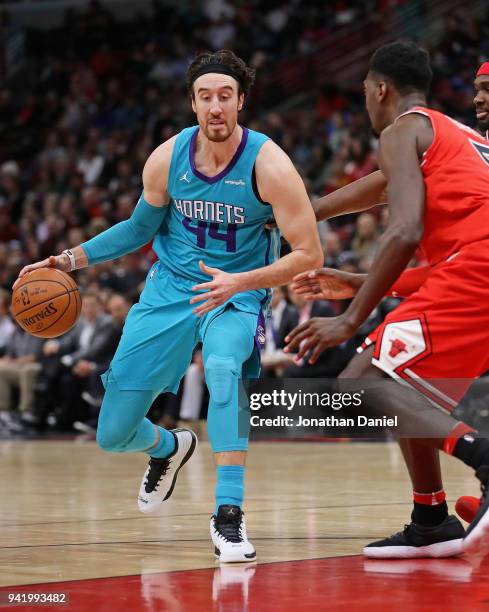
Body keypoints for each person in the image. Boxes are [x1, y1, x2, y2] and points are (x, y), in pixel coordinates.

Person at [15, 49, 322, 563]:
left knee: (223, 370)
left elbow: (310, 253)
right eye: (206, 97)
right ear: (193, 103)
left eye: (226, 96)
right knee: (112, 436)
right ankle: (168, 448)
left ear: (241, 101)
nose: (216, 106)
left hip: (237, 290)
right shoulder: (167, 157)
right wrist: (69, 260)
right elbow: (139, 230)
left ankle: (228, 516)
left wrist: (241, 281)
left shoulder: (269, 164)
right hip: (168, 290)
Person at [285, 41, 489, 558]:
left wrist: (351, 318)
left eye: (364, 95)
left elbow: (403, 229)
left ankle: (484, 458)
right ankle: (430, 518)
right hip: (472, 273)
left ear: (379, 89)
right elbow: (380, 189)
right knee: (412, 394)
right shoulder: (453, 135)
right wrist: (309, 222)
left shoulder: (403, 129)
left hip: (476, 270)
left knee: (361, 384)